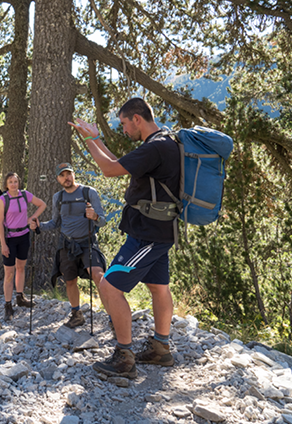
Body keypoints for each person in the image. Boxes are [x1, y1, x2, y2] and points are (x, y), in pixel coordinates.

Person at [70, 97, 181, 378]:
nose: (122, 129)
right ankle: (161, 348)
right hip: (159, 230)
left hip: (147, 235)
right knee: (158, 287)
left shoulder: (155, 148)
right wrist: (95, 138)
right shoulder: (163, 141)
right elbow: (118, 163)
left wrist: (89, 140)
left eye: (123, 123)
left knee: (108, 286)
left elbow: (108, 170)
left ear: (137, 119)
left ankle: (124, 358)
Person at [41, 163, 107, 328]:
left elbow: (103, 220)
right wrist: (39, 226)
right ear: (58, 179)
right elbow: (55, 222)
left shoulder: (88, 192)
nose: (66, 178)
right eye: (62, 175)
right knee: (70, 280)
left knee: (99, 276)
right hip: (67, 243)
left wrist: (95, 217)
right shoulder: (58, 197)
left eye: (68, 174)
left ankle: (113, 315)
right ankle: (76, 315)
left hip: (87, 242)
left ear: (74, 174)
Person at [0, 172, 47, 321]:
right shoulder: (3, 199)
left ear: (19, 183)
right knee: (9, 274)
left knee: (21, 268)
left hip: (24, 236)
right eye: (10, 182)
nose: (13, 184)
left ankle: (20, 297)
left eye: (15, 181)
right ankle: (8, 306)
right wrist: (3, 244)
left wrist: (32, 218)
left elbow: (42, 204)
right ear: (6, 185)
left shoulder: (25, 195)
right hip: (10, 239)